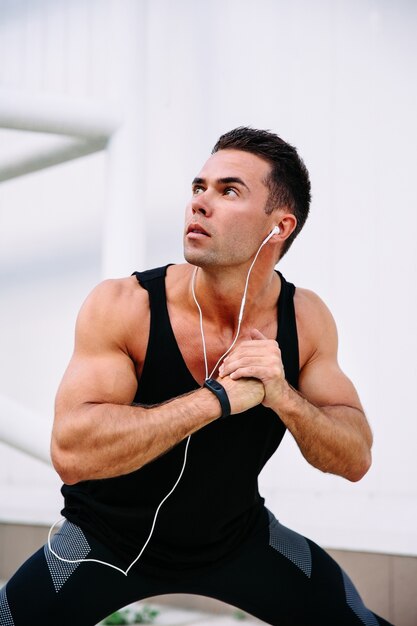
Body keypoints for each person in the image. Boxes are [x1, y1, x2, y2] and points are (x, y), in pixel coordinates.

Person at [0, 127, 392, 626]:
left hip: (238, 538)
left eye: (228, 191)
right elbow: (72, 454)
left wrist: (283, 397)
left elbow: (356, 457)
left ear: (279, 227)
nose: (199, 204)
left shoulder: (306, 320)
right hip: (102, 541)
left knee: (359, 621)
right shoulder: (125, 305)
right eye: (198, 187)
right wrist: (217, 400)